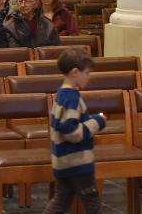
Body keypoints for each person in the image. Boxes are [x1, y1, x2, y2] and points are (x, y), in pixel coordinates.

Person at [43, 47, 106, 214]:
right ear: (75, 72)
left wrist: (88, 119)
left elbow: (69, 122)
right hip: (76, 161)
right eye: (87, 73)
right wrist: (97, 122)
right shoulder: (72, 98)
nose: (89, 77)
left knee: (61, 201)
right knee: (91, 201)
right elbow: (70, 131)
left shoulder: (62, 94)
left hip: (63, 160)